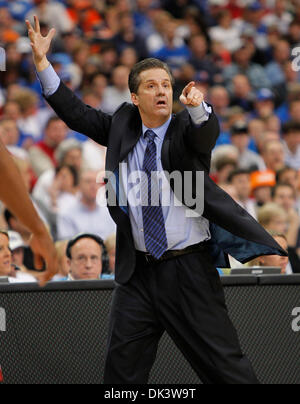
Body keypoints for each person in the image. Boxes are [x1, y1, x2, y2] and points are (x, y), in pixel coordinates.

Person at [27, 15, 288, 384]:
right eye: (151, 86)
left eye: (166, 84)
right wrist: (42, 64)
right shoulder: (122, 123)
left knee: (228, 370)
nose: (162, 91)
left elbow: (205, 135)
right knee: (120, 377)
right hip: (138, 273)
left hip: (189, 271)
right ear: (135, 97)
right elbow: (77, 114)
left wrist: (198, 108)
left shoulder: (185, 128)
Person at [0, 139, 58, 285]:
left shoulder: (33, 201)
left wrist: (39, 232)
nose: (30, 178)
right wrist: (39, 232)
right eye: (25, 173)